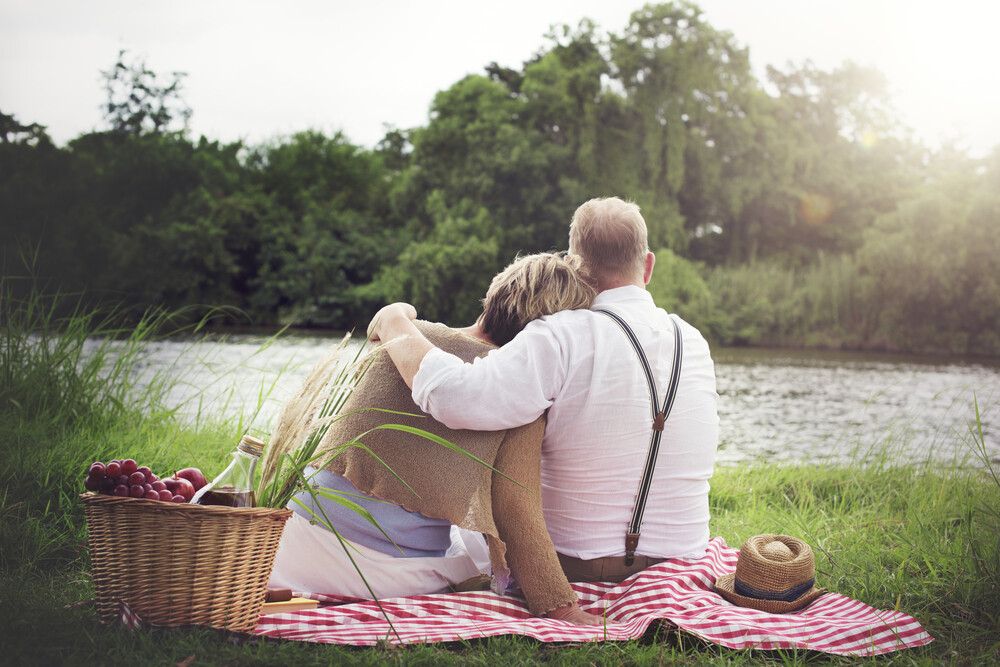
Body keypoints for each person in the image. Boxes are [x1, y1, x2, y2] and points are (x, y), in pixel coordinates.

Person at [369, 197, 720, 589]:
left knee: (465, 526)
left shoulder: (560, 334)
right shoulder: (693, 340)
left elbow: (454, 396)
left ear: (571, 266)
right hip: (683, 561)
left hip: (575, 568)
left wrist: (393, 320)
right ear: (648, 265)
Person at [268, 252, 603, 625]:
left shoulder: (408, 340)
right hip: (381, 575)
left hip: (291, 541)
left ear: (495, 293)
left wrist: (399, 313)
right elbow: (515, 509)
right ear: (551, 334)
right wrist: (564, 607)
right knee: (477, 558)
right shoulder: (520, 397)